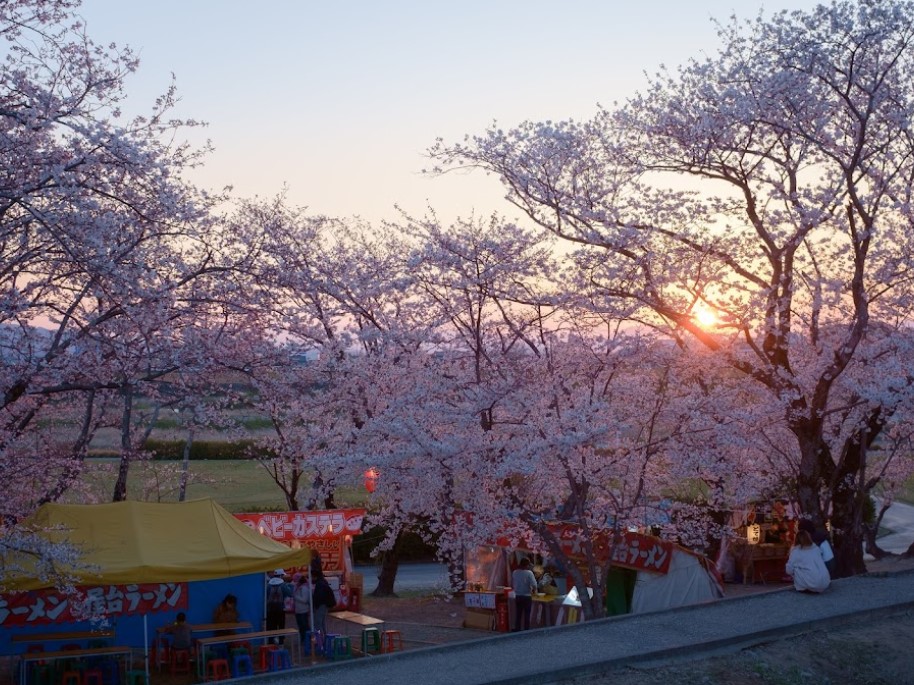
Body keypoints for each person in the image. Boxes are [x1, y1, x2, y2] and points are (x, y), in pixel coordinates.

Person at [511, 558, 538, 631]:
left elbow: (513, 583)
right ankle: (526, 630)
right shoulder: (529, 573)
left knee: (518, 614)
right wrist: (535, 591)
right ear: (527, 565)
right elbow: (534, 584)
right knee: (527, 614)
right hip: (527, 597)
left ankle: (517, 628)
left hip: (518, 596)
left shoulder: (515, 572)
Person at [311, 570, 335, 635]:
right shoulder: (323, 581)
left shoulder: (320, 584)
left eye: (312, 576)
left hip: (320, 606)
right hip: (324, 605)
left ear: (315, 576)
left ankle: (320, 640)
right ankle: (324, 638)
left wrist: (316, 605)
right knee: (322, 622)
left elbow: (319, 596)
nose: (311, 578)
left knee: (318, 623)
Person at [266, 570, 286, 634]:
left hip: (270, 609)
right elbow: (290, 593)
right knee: (281, 625)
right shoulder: (283, 585)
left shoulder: (268, 584)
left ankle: (271, 640)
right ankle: (281, 642)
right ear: (280, 575)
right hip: (280, 608)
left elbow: (266, 595)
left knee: (271, 626)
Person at [293, 572, 311, 644]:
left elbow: (304, 600)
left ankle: (308, 640)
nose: (295, 582)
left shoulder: (304, 588)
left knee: (305, 626)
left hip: (303, 610)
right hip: (298, 610)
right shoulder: (297, 587)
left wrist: (295, 597)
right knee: (301, 627)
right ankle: (303, 639)